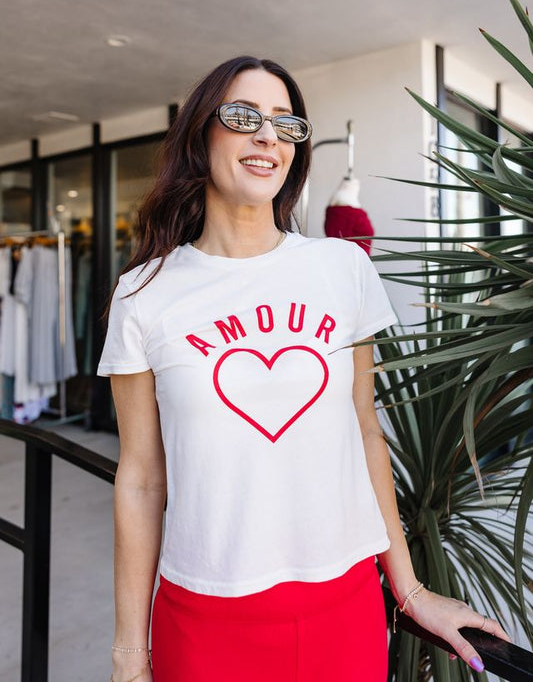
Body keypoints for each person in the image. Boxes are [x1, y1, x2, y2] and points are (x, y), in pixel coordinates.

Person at [97, 56, 508, 682]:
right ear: (200, 136)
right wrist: (130, 653)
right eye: (243, 116)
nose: (267, 136)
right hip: (204, 616)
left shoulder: (341, 269)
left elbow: (365, 431)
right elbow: (141, 479)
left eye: (286, 124)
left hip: (343, 608)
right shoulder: (143, 294)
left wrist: (411, 590)